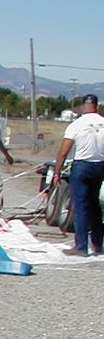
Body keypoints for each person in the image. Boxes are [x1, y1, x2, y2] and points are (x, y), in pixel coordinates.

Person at [52, 93, 104, 256]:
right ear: (96, 106)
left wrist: (57, 171)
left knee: (81, 206)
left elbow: (63, 152)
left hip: (82, 166)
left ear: (83, 106)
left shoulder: (76, 124)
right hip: (100, 165)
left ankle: (81, 246)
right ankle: (97, 243)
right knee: (95, 204)